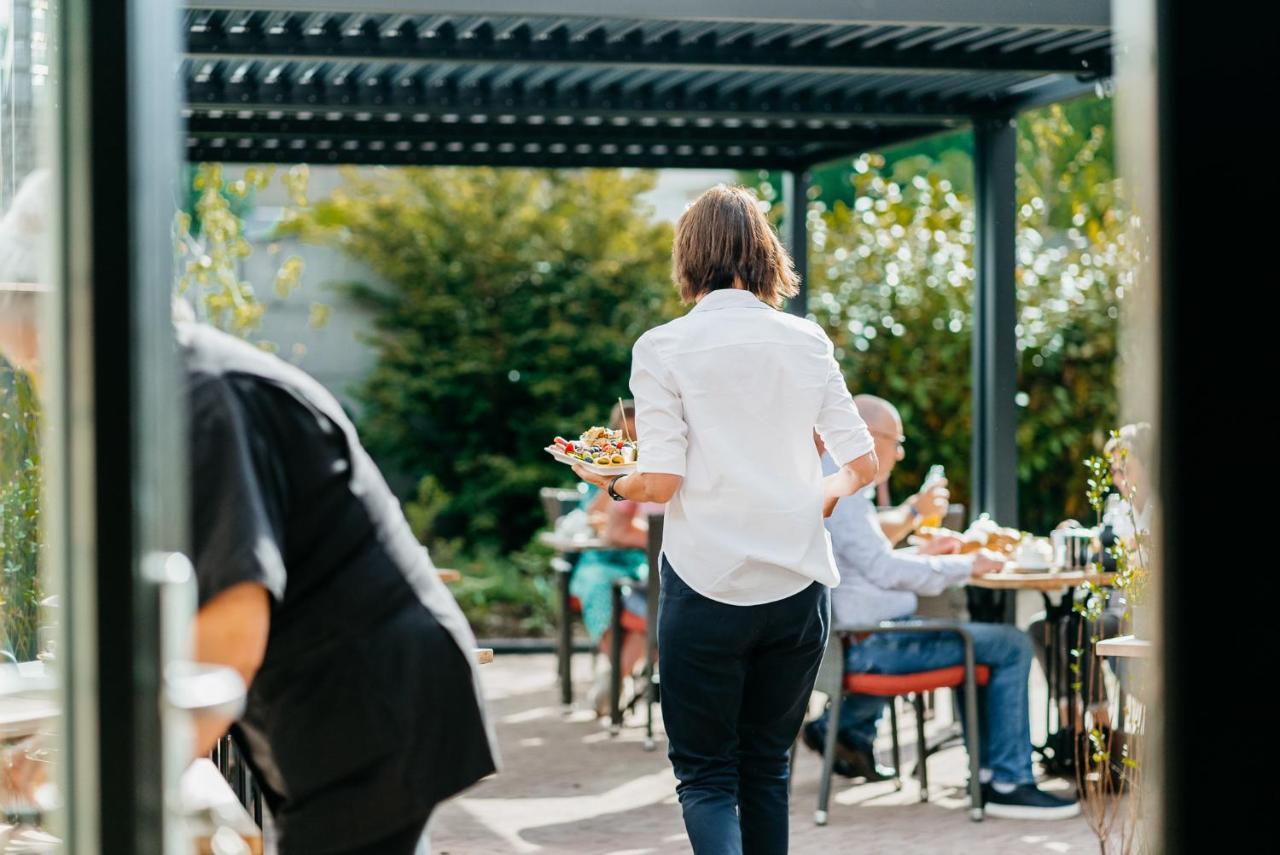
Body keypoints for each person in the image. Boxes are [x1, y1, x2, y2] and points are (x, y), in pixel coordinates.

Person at [573, 185, 878, 854]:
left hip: (706, 585)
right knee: (766, 769)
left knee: (707, 776)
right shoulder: (805, 339)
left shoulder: (662, 347)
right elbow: (864, 461)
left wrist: (610, 480)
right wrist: (818, 493)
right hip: (798, 589)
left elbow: (662, 478)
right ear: (764, 252)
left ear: (689, 256)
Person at [184, 321, 497, 855]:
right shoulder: (195, 380)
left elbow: (232, 635)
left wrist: (122, 774)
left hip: (369, 696)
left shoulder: (205, 395)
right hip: (348, 695)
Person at [802, 394, 1080, 820]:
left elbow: (868, 566)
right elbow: (880, 567)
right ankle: (1007, 780)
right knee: (1009, 644)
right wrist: (967, 563)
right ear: (868, 436)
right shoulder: (843, 481)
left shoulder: (825, 479)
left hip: (854, 639)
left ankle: (989, 774)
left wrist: (934, 555)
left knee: (986, 643)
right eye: (895, 442)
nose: (898, 453)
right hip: (872, 642)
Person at [1028, 422, 1153, 732]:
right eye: (1114, 471)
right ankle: (1070, 725)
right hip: (1111, 602)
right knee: (1044, 627)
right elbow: (1102, 548)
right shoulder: (1120, 509)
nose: (1118, 479)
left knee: (1082, 626)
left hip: (1139, 611)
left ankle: (1101, 729)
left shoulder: (1157, 510)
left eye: (1126, 469)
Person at [570, 399, 662, 715]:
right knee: (623, 597)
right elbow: (609, 523)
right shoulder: (626, 469)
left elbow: (618, 530)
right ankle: (619, 676)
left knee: (639, 604)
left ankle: (615, 678)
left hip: (649, 570)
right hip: (646, 570)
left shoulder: (651, 472)